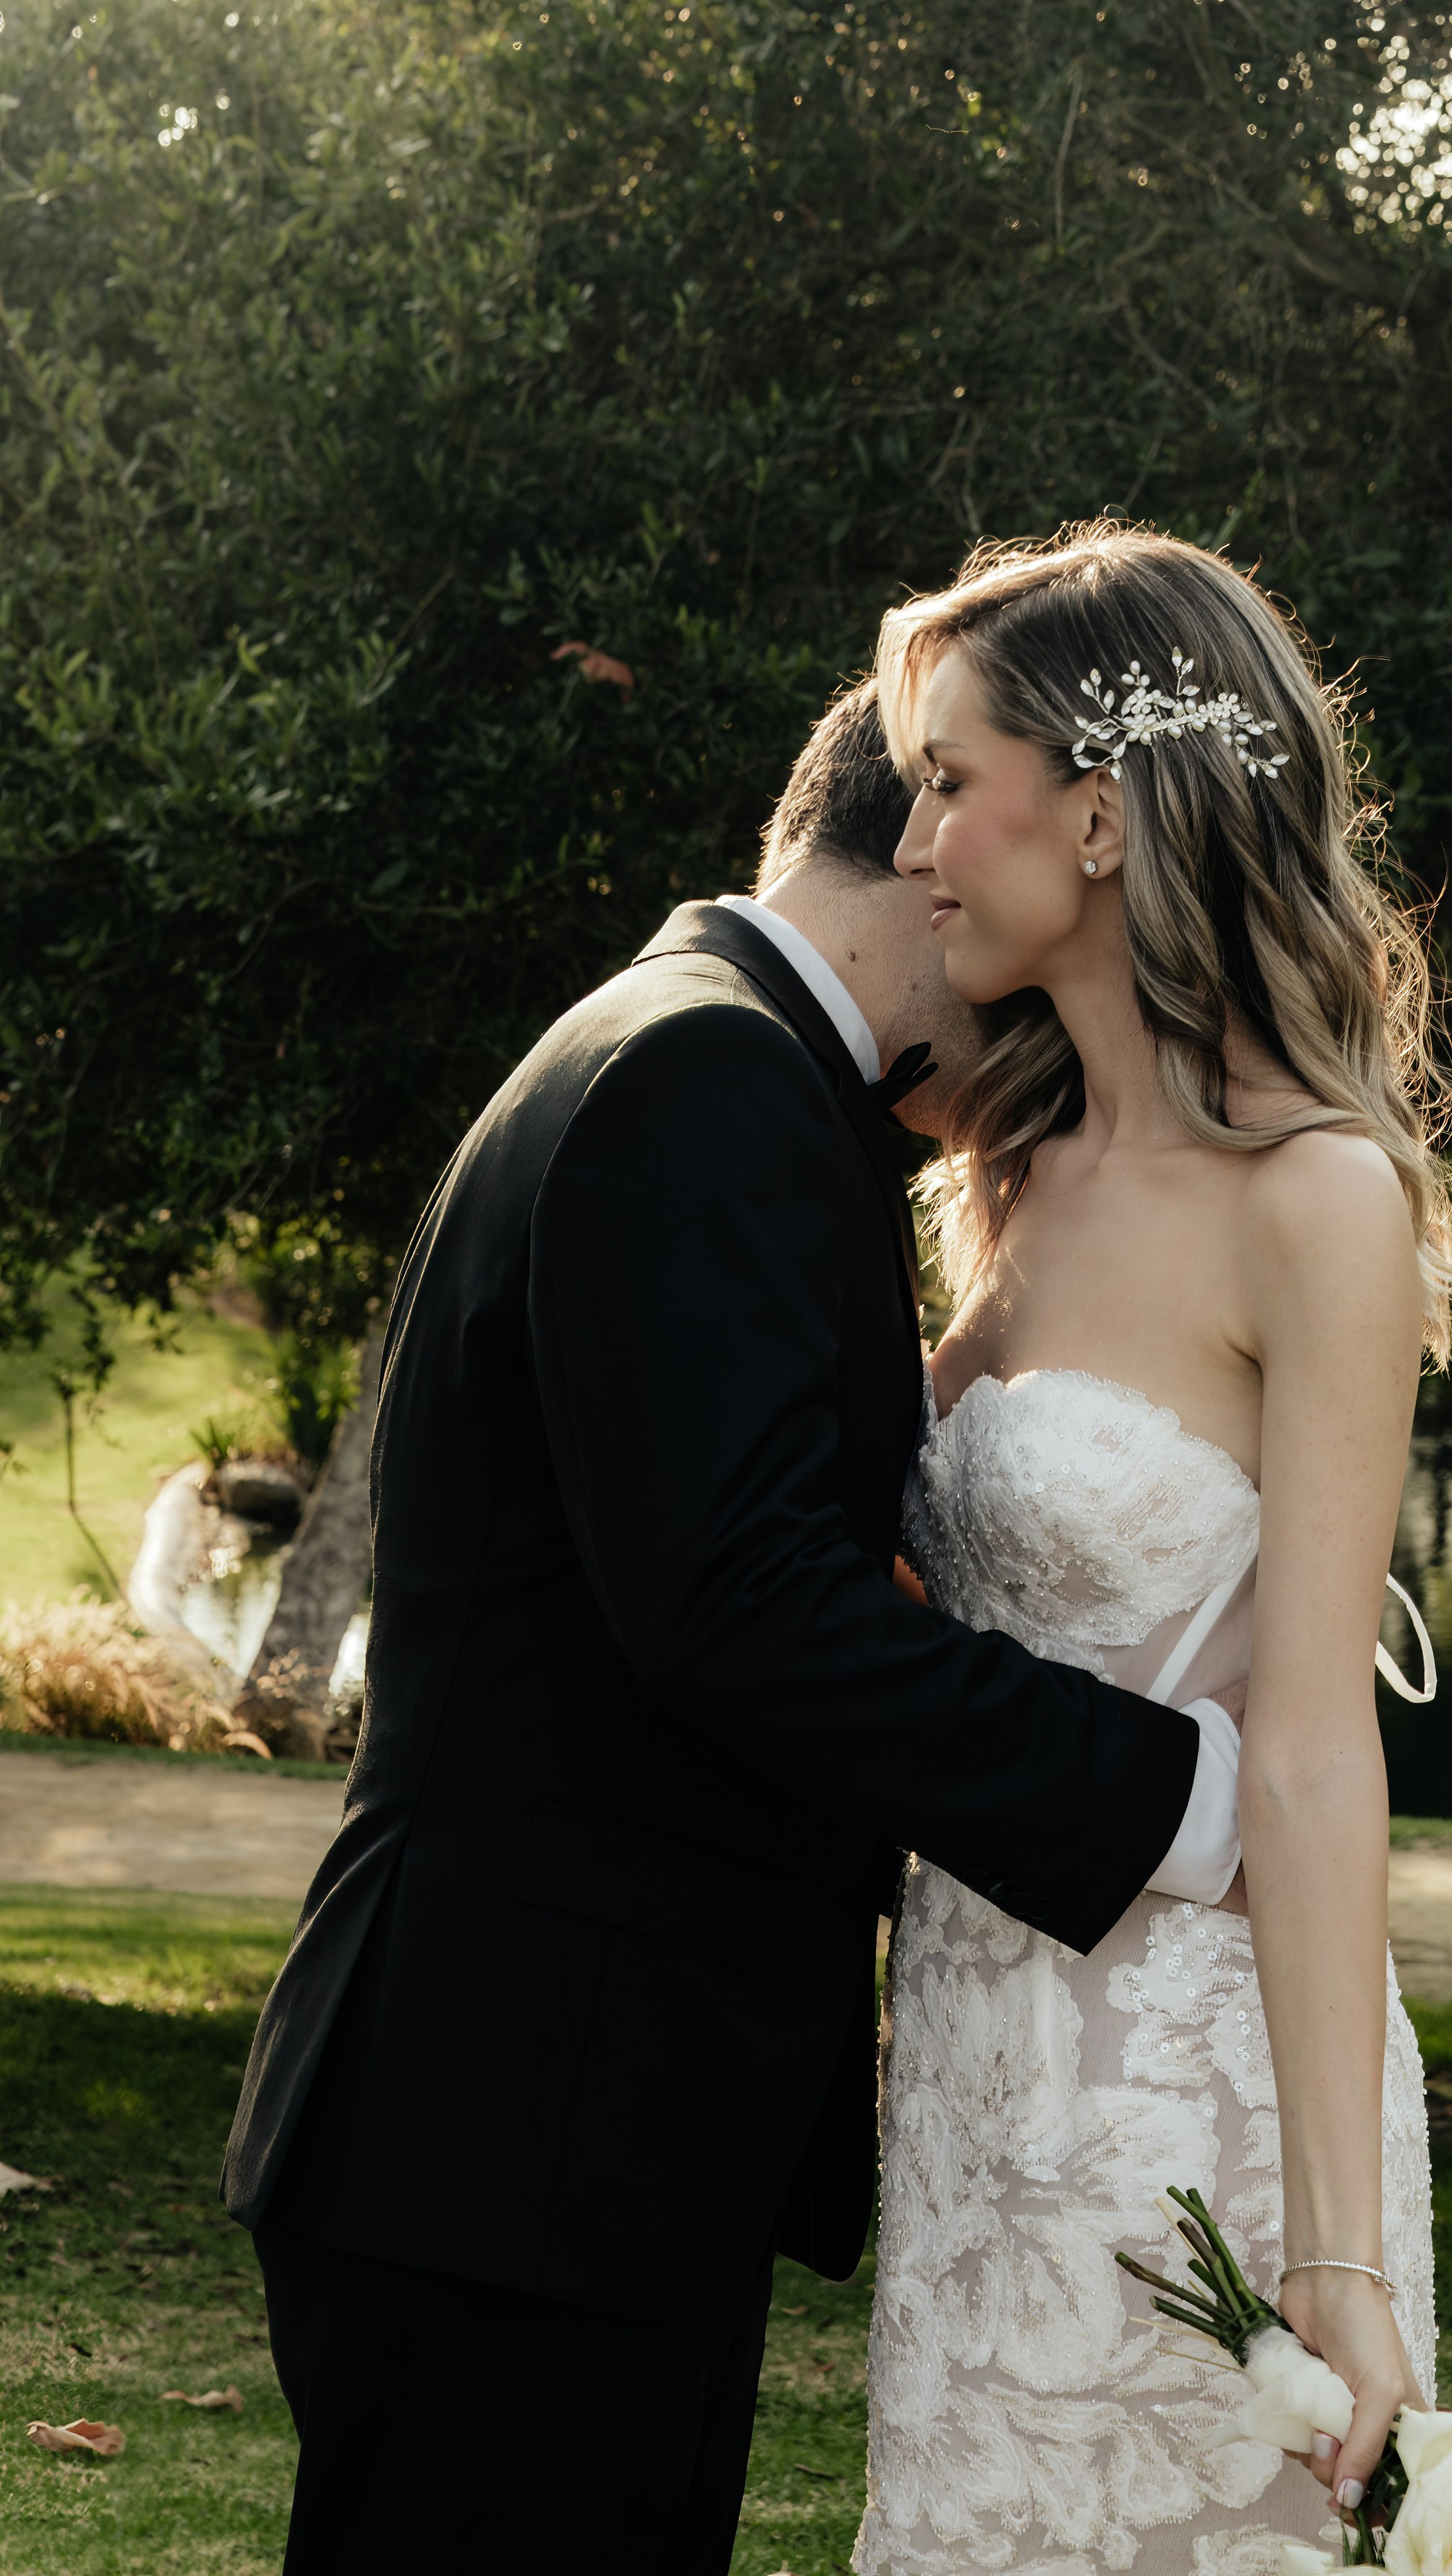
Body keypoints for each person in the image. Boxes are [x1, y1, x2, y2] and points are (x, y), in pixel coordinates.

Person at [222, 679, 1246, 2574]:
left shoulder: (698, 1052)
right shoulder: (710, 1079)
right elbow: (736, 1605)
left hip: (539, 2123)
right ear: (928, 854)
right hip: (523, 2126)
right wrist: (1173, 1791)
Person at [856, 525, 1452, 2576]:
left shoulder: (1316, 1201)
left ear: (1100, 816)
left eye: (950, 779)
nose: (912, 837)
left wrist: (1341, 2256)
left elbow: (1303, 1752)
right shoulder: (1008, 1164)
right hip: (967, 2065)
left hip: (1189, 2100)